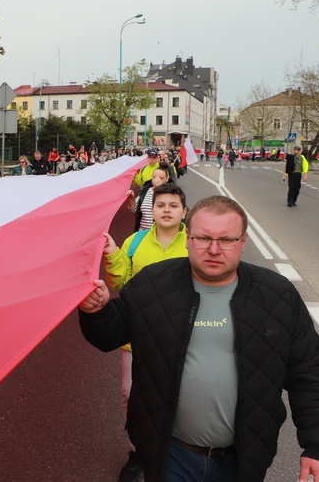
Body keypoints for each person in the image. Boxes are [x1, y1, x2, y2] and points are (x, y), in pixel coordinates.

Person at [77, 195, 319, 482]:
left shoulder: (277, 295)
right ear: (187, 238)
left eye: (226, 240)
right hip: (169, 455)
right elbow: (110, 335)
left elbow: (309, 372)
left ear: (243, 242)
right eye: (203, 238)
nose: (214, 249)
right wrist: (98, 312)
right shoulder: (152, 283)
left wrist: (317, 446)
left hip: (243, 459)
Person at [102, 183, 189, 482]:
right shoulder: (135, 242)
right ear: (152, 209)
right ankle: (138, 450)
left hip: (182, 334)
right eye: (161, 204)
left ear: (184, 212)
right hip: (137, 332)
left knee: (177, 393)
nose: (166, 210)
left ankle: (174, 448)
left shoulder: (195, 243)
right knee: (130, 393)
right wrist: (113, 254)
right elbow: (121, 283)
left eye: (173, 205)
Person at [129, 165, 170, 232]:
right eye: (154, 177)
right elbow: (135, 210)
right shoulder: (144, 191)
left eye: (161, 178)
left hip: (161, 234)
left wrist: (159, 187)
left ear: (167, 179)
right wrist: (131, 199)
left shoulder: (171, 193)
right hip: (143, 233)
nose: (157, 180)